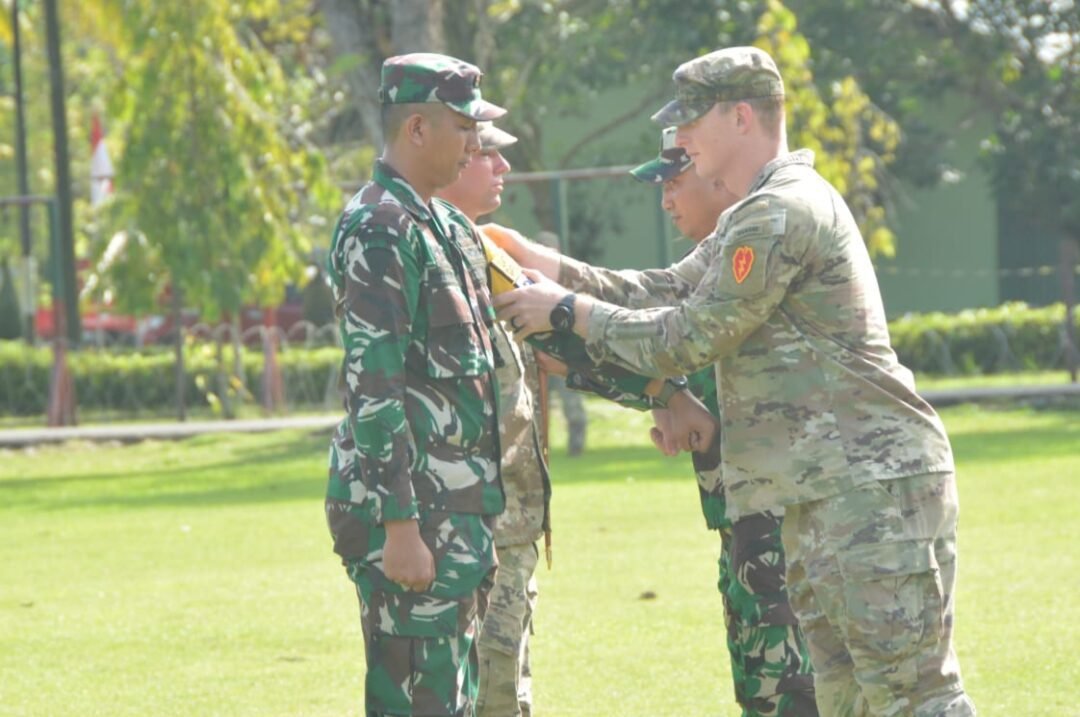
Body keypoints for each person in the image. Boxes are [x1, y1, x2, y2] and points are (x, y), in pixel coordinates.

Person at [491, 47, 976, 716]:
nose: (681, 139)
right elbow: (661, 287)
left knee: (913, 695)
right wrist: (546, 265)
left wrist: (567, 311)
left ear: (741, 117)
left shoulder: (781, 212)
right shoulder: (757, 211)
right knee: (848, 700)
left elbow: (688, 334)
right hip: (824, 491)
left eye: (691, 122)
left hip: (871, 489)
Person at [323, 52, 508, 717]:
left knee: (449, 700)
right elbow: (374, 387)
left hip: (455, 516)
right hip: (415, 519)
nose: (475, 143)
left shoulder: (446, 227)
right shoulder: (378, 228)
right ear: (418, 129)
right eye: (464, 127)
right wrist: (400, 523)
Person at [631, 127, 818, 716]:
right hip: (739, 514)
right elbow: (656, 320)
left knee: (795, 691)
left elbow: (681, 336)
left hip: (780, 508)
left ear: (715, 175)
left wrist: (662, 385)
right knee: (761, 688)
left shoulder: (762, 252)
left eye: (675, 179)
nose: (665, 198)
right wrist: (662, 391)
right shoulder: (714, 267)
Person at [435, 123, 548, 717]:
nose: (503, 167)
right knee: (489, 694)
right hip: (476, 528)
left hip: (509, 522)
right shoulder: (435, 256)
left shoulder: (481, 249)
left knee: (506, 688)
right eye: (488, 154)